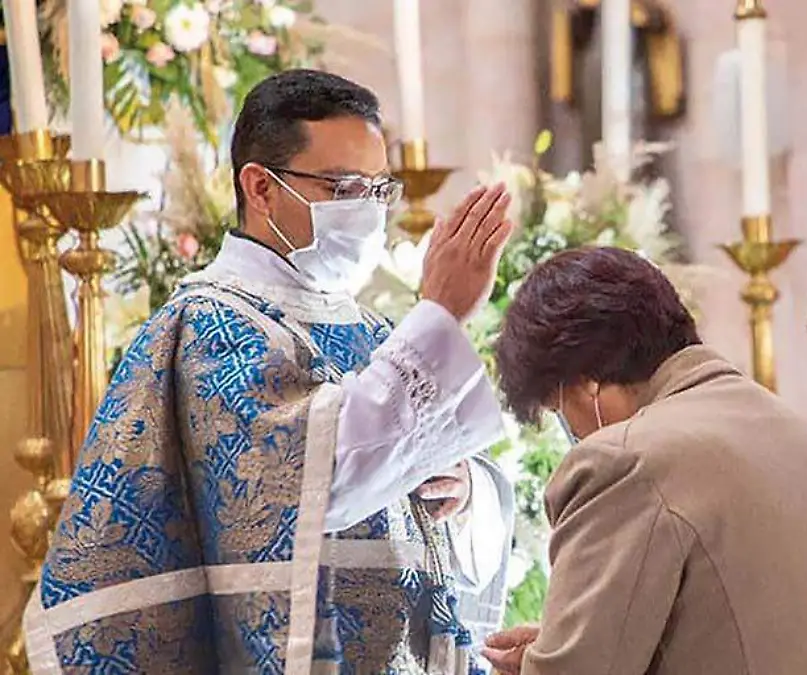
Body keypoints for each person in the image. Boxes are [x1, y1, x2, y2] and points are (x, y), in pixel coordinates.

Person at [26, 70, 516, 674]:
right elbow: (305, 492)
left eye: (378, 190)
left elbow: (448, 526)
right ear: (260, 187)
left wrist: (464, 492)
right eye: (343, 187)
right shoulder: (208, 328)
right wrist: (440, 312)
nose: (367, 211)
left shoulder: (373, 330)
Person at [480, 247, 807, 675]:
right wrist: (556, 645)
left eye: (559, 411)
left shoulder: (624, 462)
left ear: (585, 384)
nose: (570, 431)